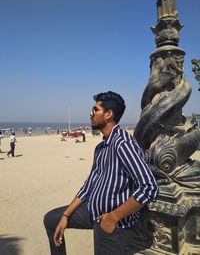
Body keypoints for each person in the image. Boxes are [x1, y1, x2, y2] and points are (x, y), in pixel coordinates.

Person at [44, 91, 159, 255]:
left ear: (108, 114)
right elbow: (89, 185)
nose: (91, 113)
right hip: (92, 212)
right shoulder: (101, 148)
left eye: (95, 109)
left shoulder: (122, 144)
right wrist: (66, 215)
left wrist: (113, 217)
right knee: (51, 220)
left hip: (114, 224)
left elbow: (149, 187)